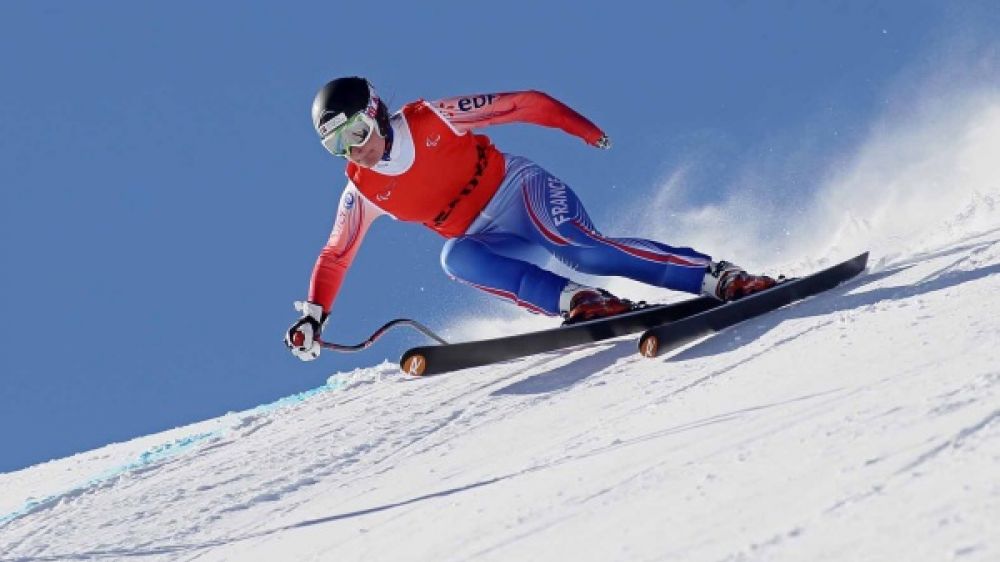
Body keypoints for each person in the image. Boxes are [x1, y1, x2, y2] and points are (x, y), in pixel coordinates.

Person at [285, 77, 776, 361]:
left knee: (581, 249)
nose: (356, 150)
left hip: (521, 192)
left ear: (376, 112)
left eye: (358, 131)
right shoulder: (362, 189)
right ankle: (579, 301)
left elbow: (524, 103)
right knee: (455, 258)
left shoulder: (432, 118)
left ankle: (717, 277)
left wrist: (583, 129)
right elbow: (336, 255)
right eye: (337, 146)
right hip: (486, 237)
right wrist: (312, 317)